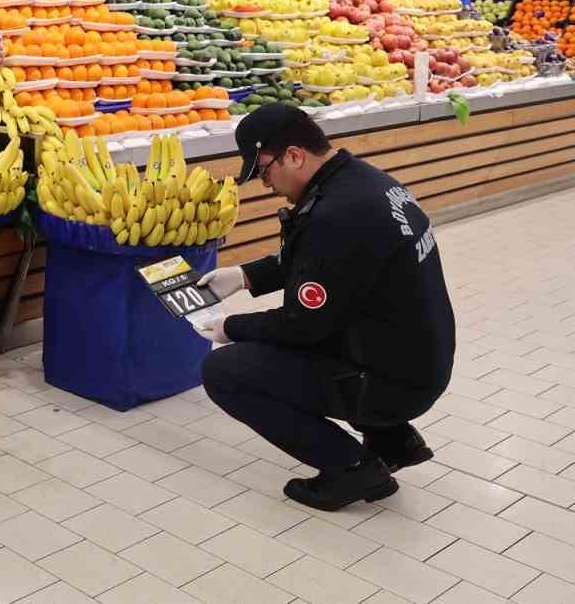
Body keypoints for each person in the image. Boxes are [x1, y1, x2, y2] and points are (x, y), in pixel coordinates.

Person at [195, 103, 455, 512]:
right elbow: (323, 264)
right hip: (416, 361)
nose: (266, 185)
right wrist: (244, 276)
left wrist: (232, 327)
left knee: (224, 371)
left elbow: (302, 326)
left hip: (389, 379)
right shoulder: (360, 182)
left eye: (264, 172)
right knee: (308, 340)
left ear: (294, 155)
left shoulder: (337, 214)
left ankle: (353, 468)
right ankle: (393, 439)